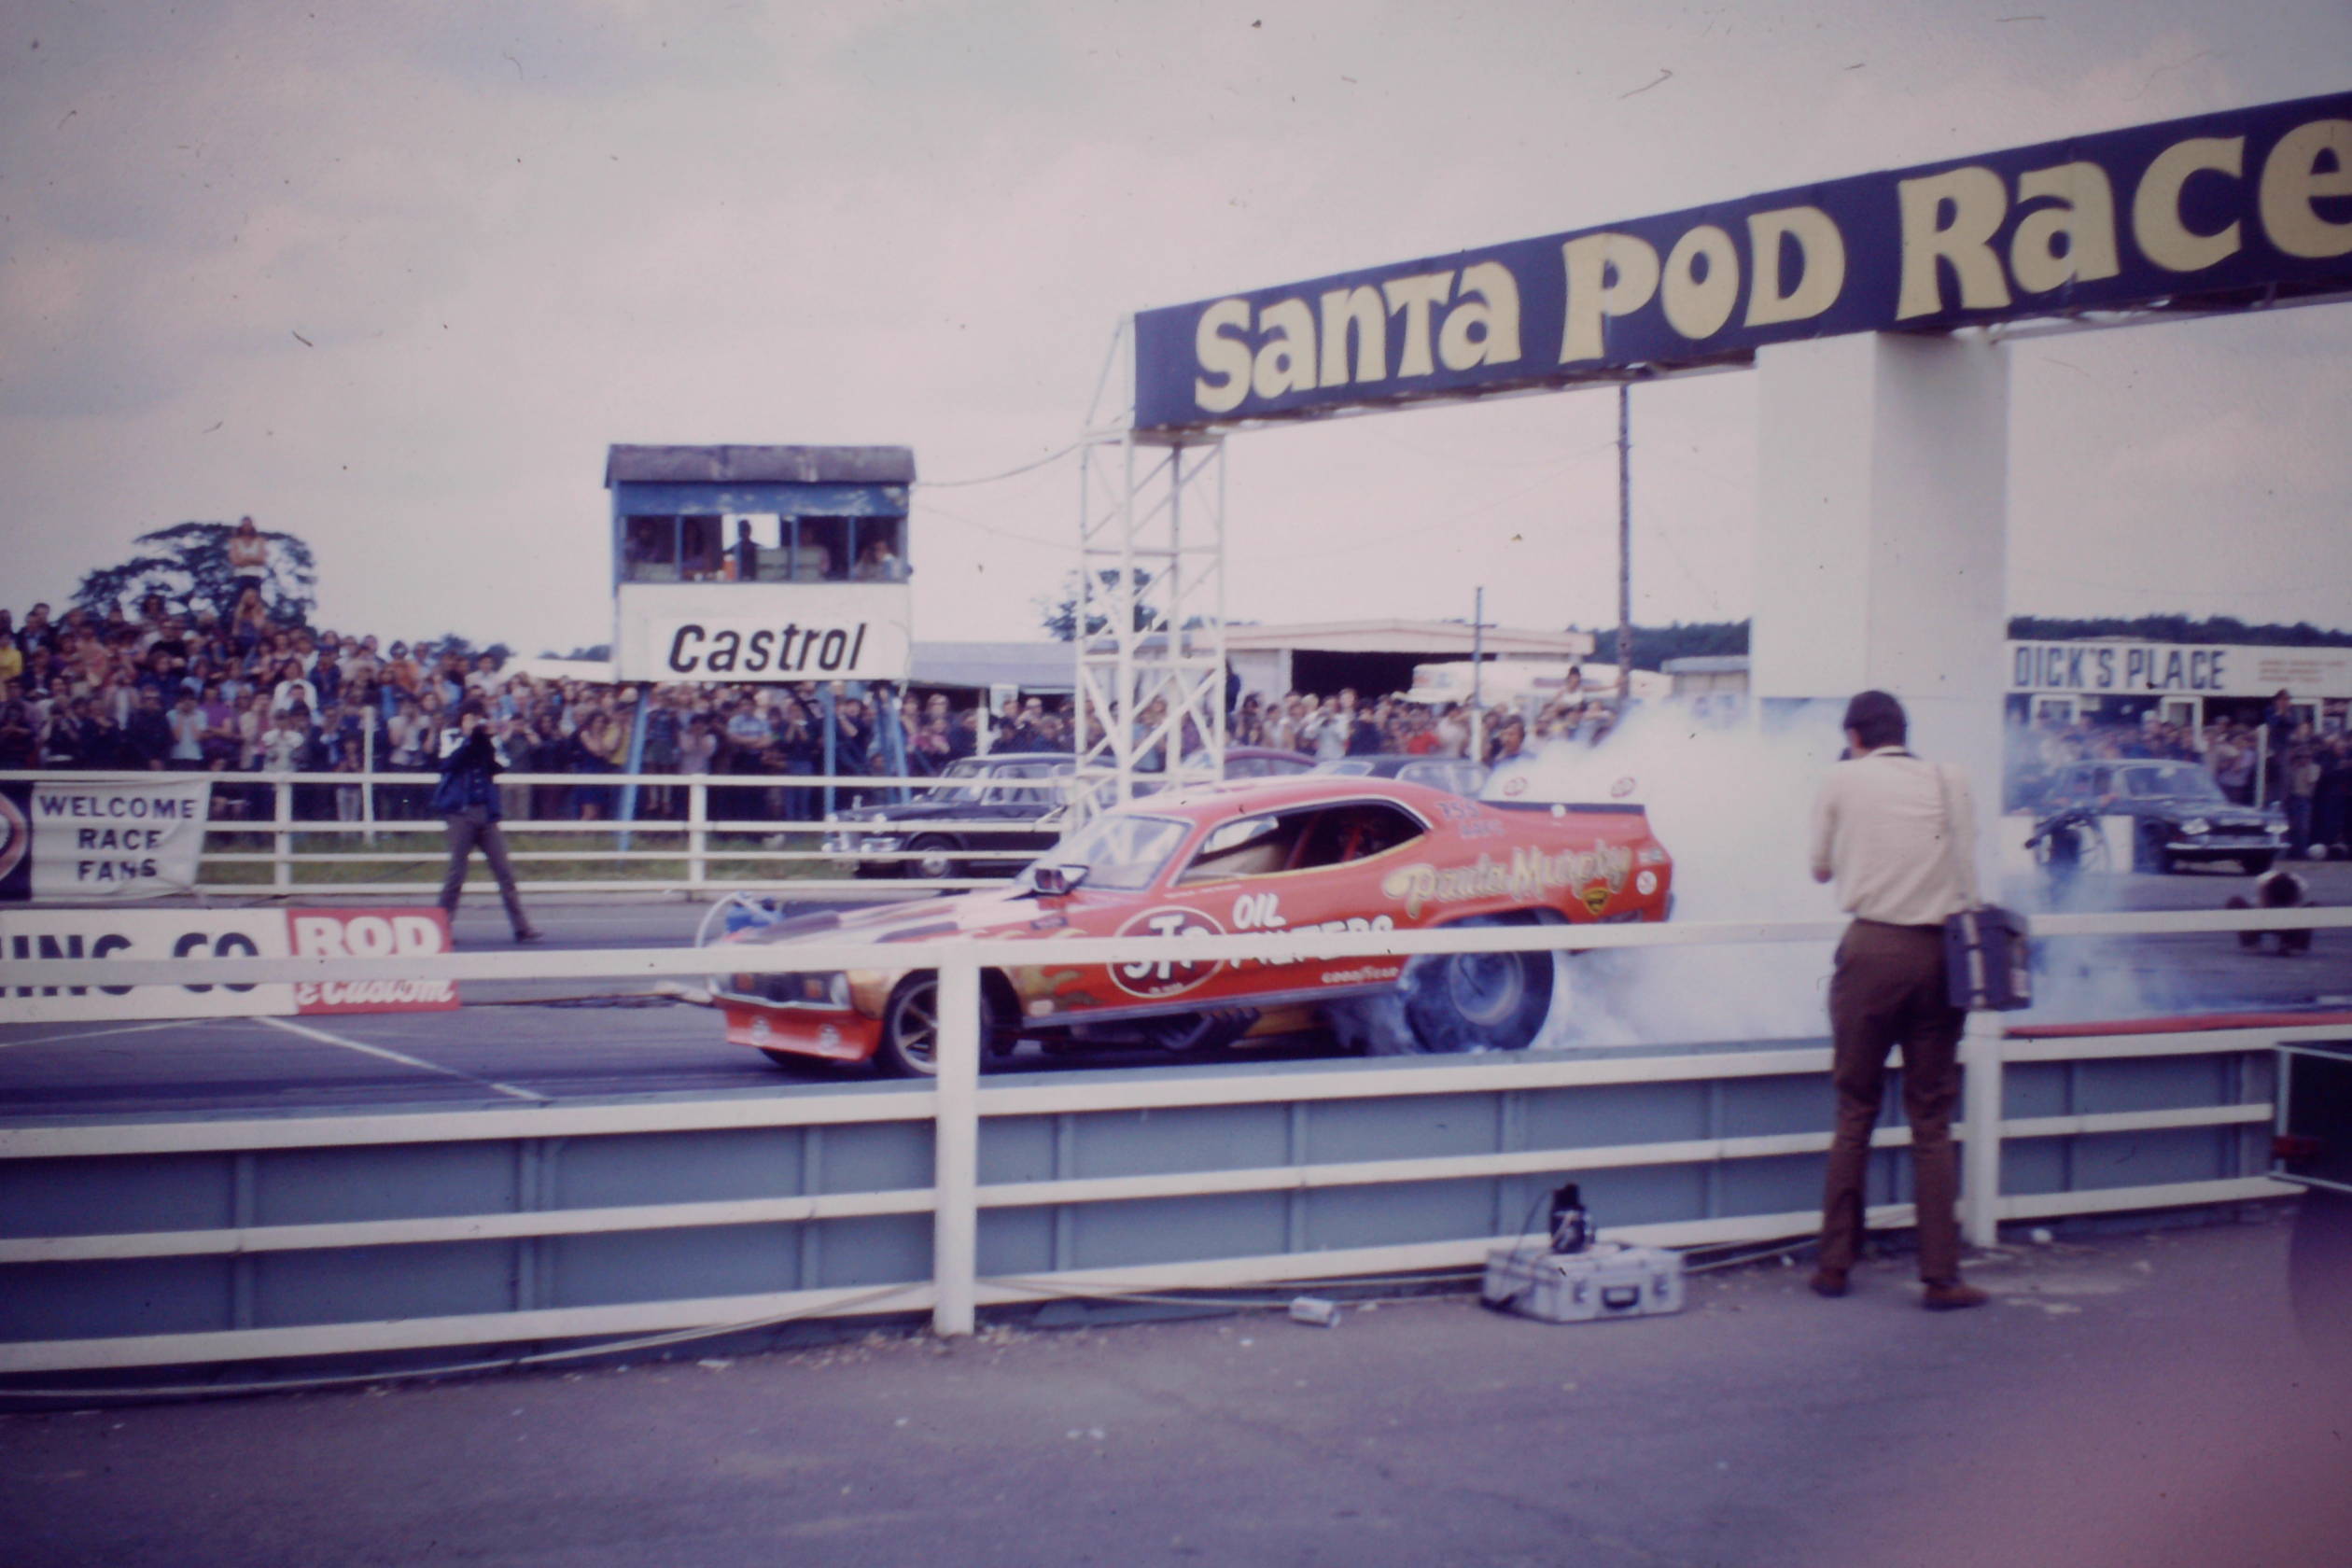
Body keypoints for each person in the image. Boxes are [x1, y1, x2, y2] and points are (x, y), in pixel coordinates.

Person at [1807, 690, 1988, 1311]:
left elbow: (1820, 869)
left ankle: (1834, 1265)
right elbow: (1968, 869)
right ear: (1902, 732)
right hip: (1942, 957)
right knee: (1932, 1120)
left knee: (1855, 1110)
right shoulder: (1951, 779)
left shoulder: (1840, 779)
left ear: (1855, 736)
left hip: (1871, 953)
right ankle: (1941, 1275)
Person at [433, 707, 539, 943]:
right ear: (461, 719)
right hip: (460, 811)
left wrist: (487, 742)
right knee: (456, 874)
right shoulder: (450, 736)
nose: (475, 722)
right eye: (470, 717)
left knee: (504, 872)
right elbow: (448, 764)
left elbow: (500, 766)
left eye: (478, 718)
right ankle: (440, 928)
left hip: (486, 812)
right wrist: (468, 740)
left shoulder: (489, 741)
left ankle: (522, 927)